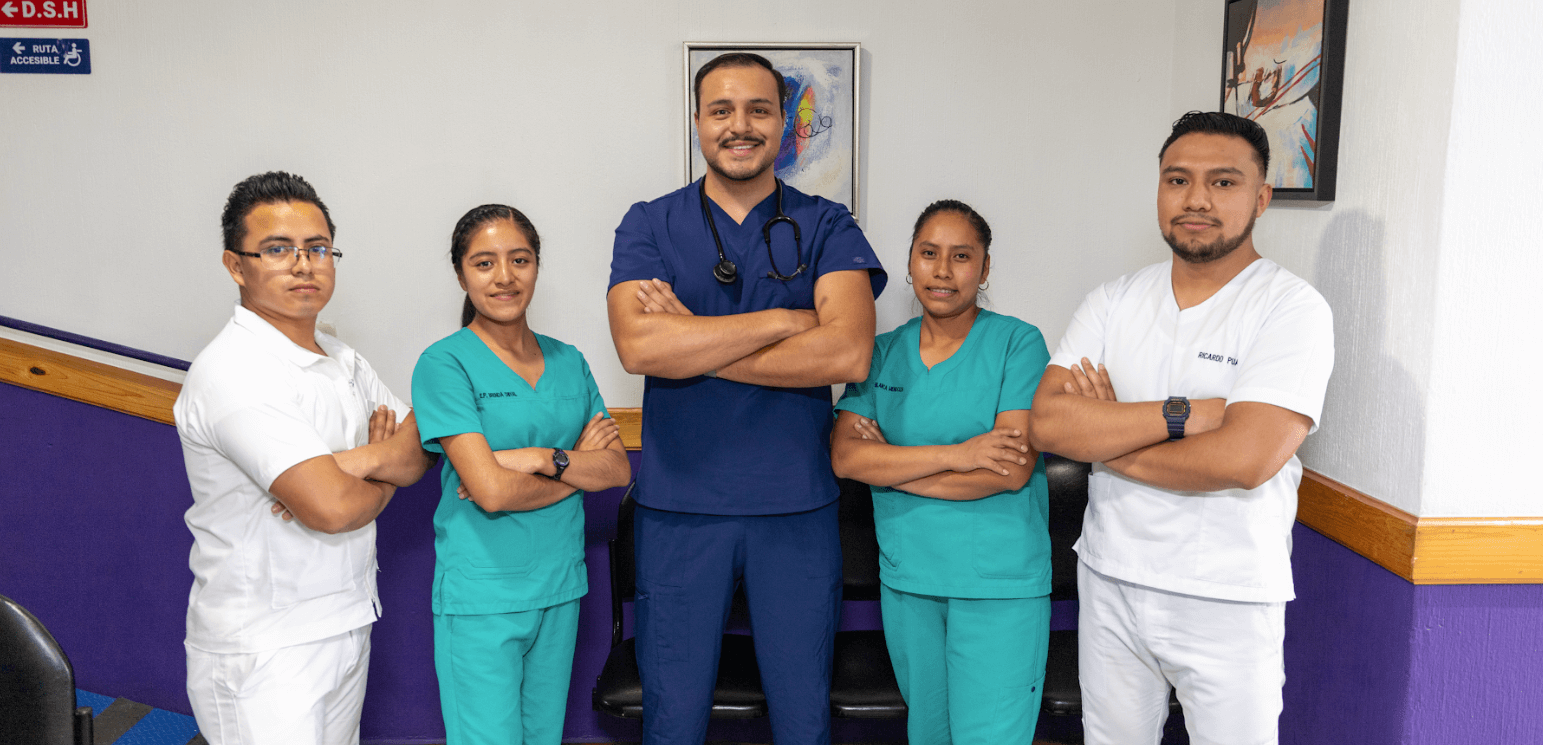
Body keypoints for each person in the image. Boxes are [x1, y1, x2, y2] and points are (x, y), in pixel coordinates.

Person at [1026, 111, 1335, 745]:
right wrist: (1187, 414)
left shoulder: (1290, 308)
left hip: (1225, 592)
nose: (1196, 200)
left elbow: (1244, 459)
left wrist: (1107, 442)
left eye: (1223, 183)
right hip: (1111, 576)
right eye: (1177, 180)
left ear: (1262, 198)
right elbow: (1050, 422)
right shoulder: (1114, 300)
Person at [606, 52, 886, 745]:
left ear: (785, 123)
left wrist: (692, 339)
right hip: (679, 512)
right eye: (721, 110)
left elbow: (847, 352)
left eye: (759, 109)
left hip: (795, 509)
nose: (740, 125)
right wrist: (783, 321)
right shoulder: (647, 223)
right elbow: (640, 349)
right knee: (671, 718)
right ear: (698, 122)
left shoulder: (827, 225)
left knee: (801, 717)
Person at [175, 171, 433, 745]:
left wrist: (355, 461)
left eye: (317, 249)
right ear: (235, 265)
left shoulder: (341, 358)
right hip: (263, 647)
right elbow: (333, 509)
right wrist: (372, 464)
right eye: (277, 249)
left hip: (344, 621)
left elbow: (420, 453)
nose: (303, 264)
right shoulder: (233, 372)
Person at [831, 200, 1051, 745]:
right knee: (928, 734)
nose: (944, 271)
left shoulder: (1018, 344)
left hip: (998, 586)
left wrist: (891, 468)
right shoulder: (881, 354)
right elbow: (847, 458)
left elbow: (1008, 471)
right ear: (910, 262)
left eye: (962, 256)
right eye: (929, 254)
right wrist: (959, 454)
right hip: (911, 582)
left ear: (985, 268)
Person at [411, 204, 631, 744]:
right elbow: (487, 491)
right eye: (484, 263)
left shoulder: (569, 361)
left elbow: (616, 467)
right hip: (482, 595)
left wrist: (539, 458)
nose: (504, 277)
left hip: (558, 588)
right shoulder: (445, 364)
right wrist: (572, 466)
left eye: (520, 259)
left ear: (537, 266)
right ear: (461, 274)